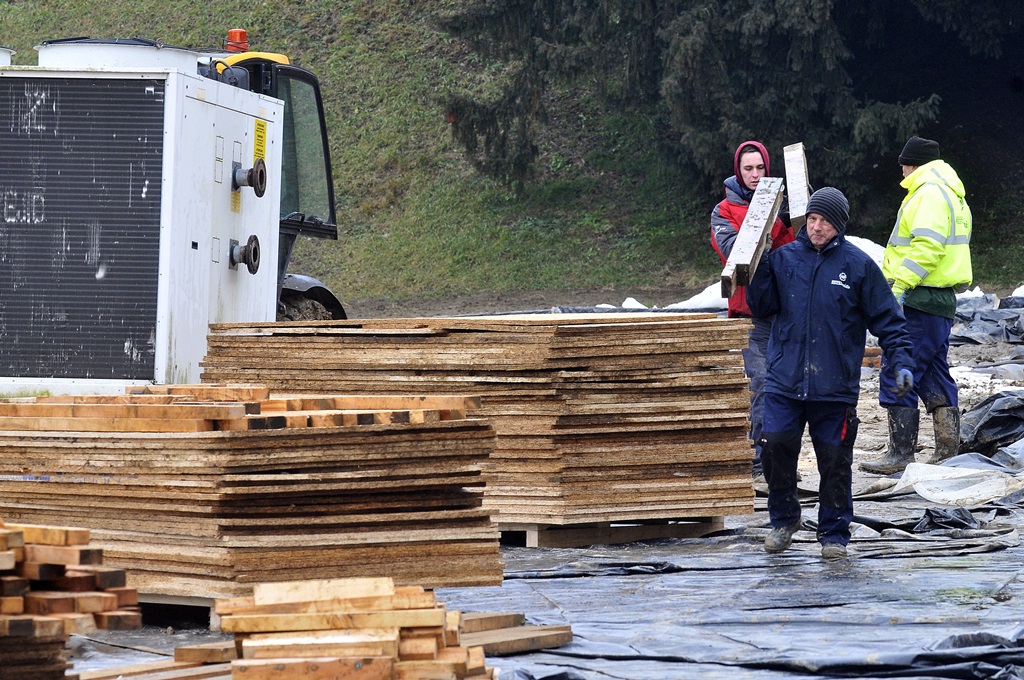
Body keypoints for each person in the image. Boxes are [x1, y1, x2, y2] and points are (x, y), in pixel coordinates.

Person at [747, 187, 914, 560]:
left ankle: (834, 534)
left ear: (838, 226)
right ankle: (783, 519)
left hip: (834, 386)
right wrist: (756, 268)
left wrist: (901, 362)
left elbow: (890, 321)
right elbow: (761, 306)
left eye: (824, 221)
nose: (816, 227)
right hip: (784, 380)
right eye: (812, 219)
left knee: (835, 460)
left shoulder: (858, 266)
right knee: (775, 447)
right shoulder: (784, 259)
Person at [860, 137, 973, 475]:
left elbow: (927, 247)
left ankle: (900, 453)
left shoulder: (927, 194)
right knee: (934, 372)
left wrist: (898, 287)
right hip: (939, 299)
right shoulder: (951, 193)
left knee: (900, 366)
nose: (902, 170)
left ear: (913, 163)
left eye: (904, 164)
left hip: (919, 298)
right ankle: (947, 449)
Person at [710, 141, 794, 477]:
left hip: (786, 313)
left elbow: (799, 251)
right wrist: (770, 230)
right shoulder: (724, 210)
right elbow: (734, 251)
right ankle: (760, 461)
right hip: (749, 316)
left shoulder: (784, 207)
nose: (755, 175)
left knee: (788, 388)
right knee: (761, 384)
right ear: (738, 171)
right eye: (748, 169)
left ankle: (782, 459)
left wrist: (787, 222)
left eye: (760, 168)